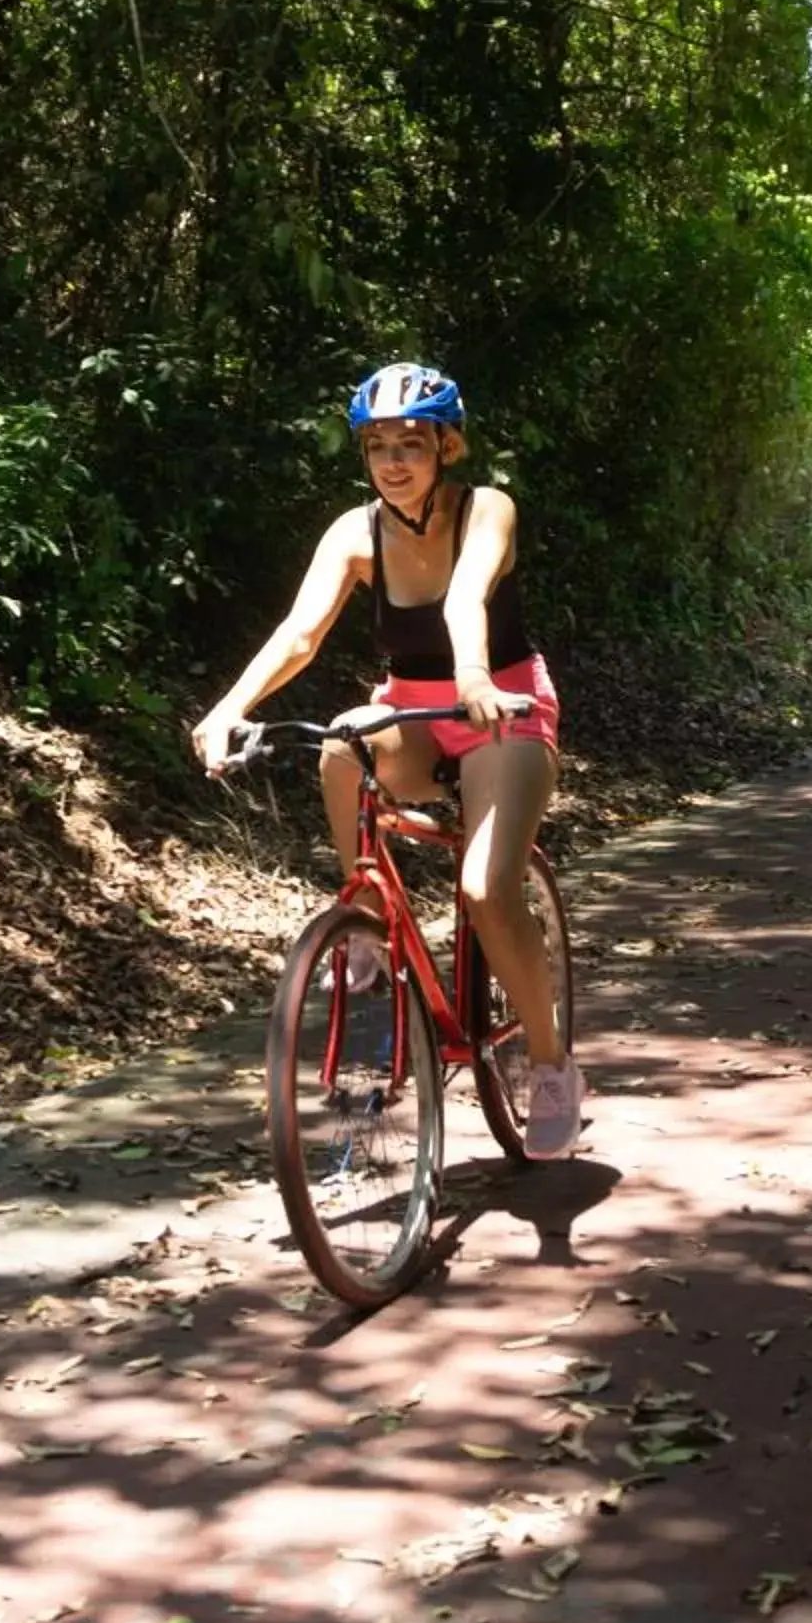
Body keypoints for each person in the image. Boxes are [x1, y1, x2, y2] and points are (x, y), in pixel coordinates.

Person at [191, 362, 581, 1159]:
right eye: (377, 446)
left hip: (500, 706)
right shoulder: (354, 531)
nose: (394, 460)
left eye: (411, 443)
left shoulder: (487, 510)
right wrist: (231, 707)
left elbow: (468, 596)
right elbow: (301, 633)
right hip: (414, 708)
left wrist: (473, 677)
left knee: (483, 888)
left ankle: (550, 1067)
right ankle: (364, 917)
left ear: (447, 446)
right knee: (342, 740)